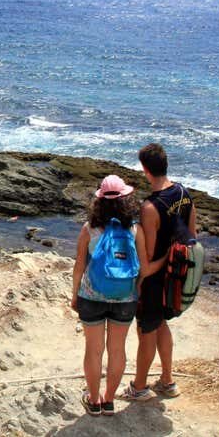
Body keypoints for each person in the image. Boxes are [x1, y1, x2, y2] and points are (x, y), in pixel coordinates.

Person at [72, 175, 153, 417]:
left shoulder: (89, 229)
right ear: (127, 200)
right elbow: (144, 268)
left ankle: (93, 401)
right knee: (117, 350)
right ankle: (108, 401)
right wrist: (134, 290)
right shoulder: (134, 230)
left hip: (91, 295)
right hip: (125, 299)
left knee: (93, 350)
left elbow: (79, 266)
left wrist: (75, 294)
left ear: (99, 201)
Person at [121, 143, 197, 401]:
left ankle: (139, 387)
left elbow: (150, 254)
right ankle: (167, 380)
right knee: (161, 324)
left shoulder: (150, 208)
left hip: (156, 278)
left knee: (146, 332)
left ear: (145, 170)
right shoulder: (185, 193)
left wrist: (141, 281)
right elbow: (192, 236)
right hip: (178, 274)